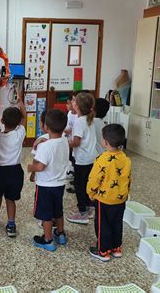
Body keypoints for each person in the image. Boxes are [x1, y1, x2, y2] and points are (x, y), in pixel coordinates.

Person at [27, 109, 70, 251]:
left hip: (45, 186)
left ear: (46, 127)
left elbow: (40, 167)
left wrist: (29, 167)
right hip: (59, 184)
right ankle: (61, 234)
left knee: (46, 214)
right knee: (58, 210)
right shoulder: (64, 141)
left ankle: (47, 240)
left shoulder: (45, 146)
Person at [87, 124, 131, 261]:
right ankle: (116, 248)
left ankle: (103, 251)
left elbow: (95, 178)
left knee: (102, 225)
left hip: (104, 199)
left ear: (105, 142)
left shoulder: (102, 159)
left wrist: (91, 192)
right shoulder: (125, 159)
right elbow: (128, 178)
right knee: (117, 223)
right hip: (120, 199)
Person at [0, 97, 26, 237]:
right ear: (18, 123)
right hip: (15, 171)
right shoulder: (20, 133)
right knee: (10, 199)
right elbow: (24, 117)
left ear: (2, 121)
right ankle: (11, 224)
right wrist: (20, 104)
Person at [67, 92, 98, 225]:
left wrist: (63, 143)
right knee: (87, 184)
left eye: (74, 101)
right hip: (91, 157)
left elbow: (76, 142)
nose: (72, 102)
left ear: (77, 106)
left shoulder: (79, 121)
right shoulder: (89, 118)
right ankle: (89, 208)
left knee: (79, 186)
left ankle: (82, 213)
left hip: (82, 159)